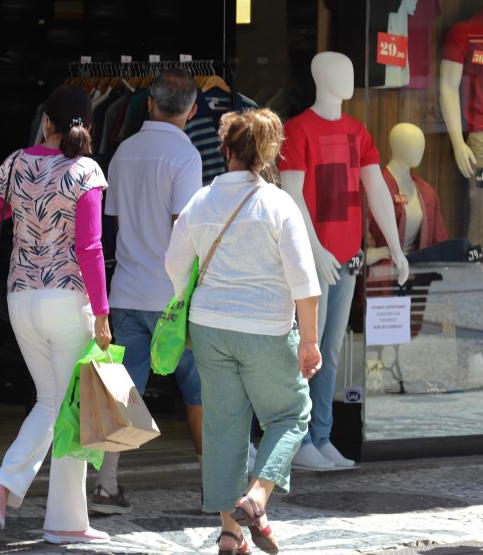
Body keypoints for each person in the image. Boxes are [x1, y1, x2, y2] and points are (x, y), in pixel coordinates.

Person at [165, 108, 322, 555]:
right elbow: (304, 281)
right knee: (291, 413)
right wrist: (309, 340)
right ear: (266, 154)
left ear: (227, 150)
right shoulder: (277, 204)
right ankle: (256, 497)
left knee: (224, 428)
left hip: (209, 328)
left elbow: (174, 266)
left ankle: (231, 534)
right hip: (266, 328)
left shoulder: (201, 201)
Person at [0, 85, 111, 545]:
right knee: (71, 409)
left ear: (46, 122)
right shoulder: (86, 170)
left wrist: (20, 199)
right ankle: (65, 521)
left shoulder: (17, 163)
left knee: (52, 403)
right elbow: (90, 247)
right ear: (86, 125)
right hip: (68, 301)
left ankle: (4, 486)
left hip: (21, 300)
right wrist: (103, 313)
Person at [93, 69, 203, 514]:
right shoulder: (187, 157)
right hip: (171, 297)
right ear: (193, 111)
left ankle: (106, 485)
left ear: (151, 104)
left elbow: (116, 222)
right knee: (198, 390)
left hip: (126, 291)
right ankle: (214, 487)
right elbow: (185, 232)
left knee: (125, 391)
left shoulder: (122, 152)